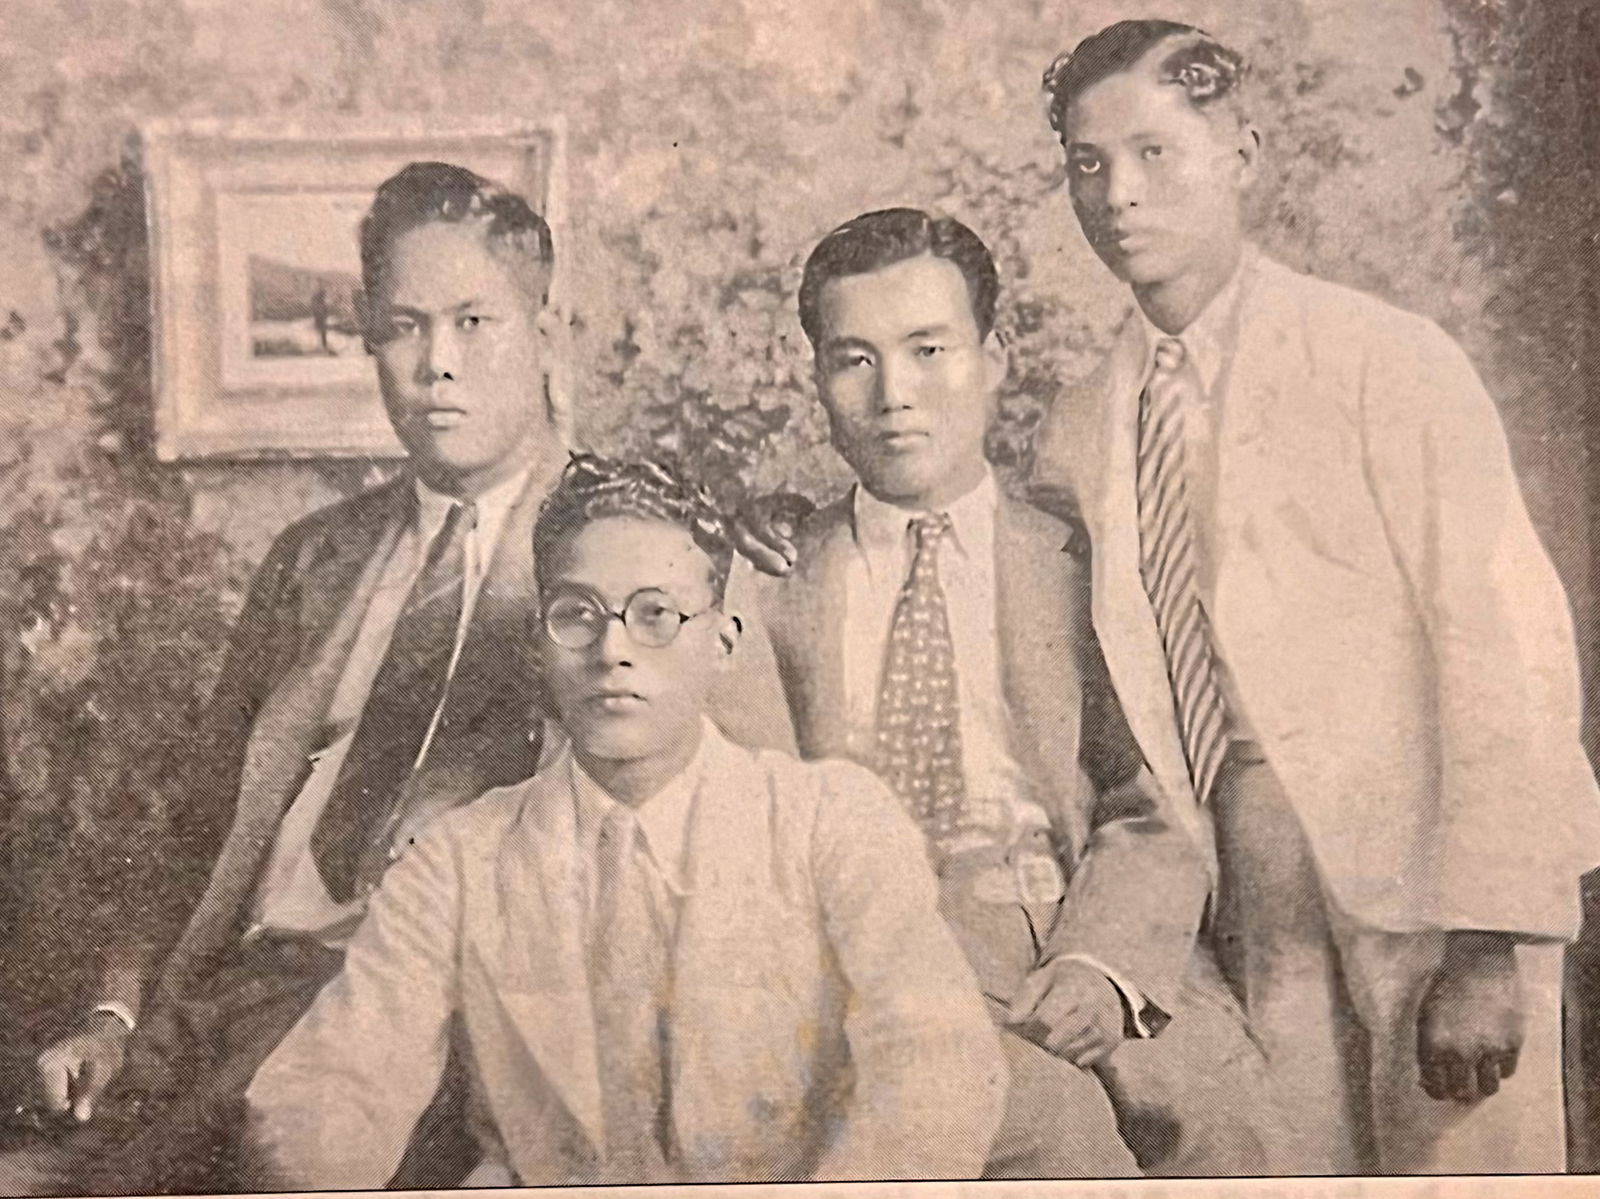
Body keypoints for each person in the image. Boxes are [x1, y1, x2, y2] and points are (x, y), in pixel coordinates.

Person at [1035, 19, 1600, 1174]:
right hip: (1247, 893)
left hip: (1431, 882)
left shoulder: (1381, 358)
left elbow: (1503, 641)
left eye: (1153, 152)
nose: (1118, 193)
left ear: (1240, 153)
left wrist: (1487, 937)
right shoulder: (1081, 424)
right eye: (1088, 163)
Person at [2, 161, 568, 1195]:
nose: (438, 363)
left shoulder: (611, 553)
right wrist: (115, 1013)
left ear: (547, 330)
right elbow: (200, 823)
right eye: (404, 327)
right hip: (222, 997)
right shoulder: (315, 557)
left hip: (416, 1022)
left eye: (474, 322)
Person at [244, 453, 1006, 1187]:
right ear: (538, 643)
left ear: (723, 642)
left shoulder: (830, 821)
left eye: (655, 615)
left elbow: (936, 1062)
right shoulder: (460, 859)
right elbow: (331, 1086)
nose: (613, 650)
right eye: (577, 615)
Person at [726, 207, 1277, 1177]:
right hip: (881, 941)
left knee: (1221, 1123)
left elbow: (1157, 800)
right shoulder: (770, 576)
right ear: (816, 379)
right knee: (1039, 1137)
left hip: (1077, 910)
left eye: (928, 350)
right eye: (854, 359)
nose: (894, 394)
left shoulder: (1085, 562)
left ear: (993, 360)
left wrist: (1101, 963)